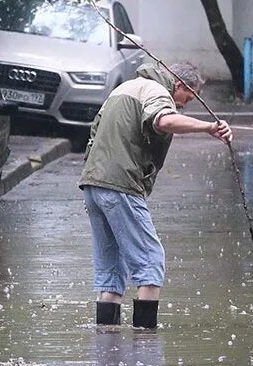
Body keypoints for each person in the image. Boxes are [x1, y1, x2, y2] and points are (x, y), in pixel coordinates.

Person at [78, 62, 232, 328]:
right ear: (180, 85)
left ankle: (106, 345)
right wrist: (207, 128)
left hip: (93, 184)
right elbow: (164, 120)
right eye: (189, 97)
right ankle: (145, 342)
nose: (185, 104)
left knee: (111, 268)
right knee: (150, 260)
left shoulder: (124, 89)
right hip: (121, 185)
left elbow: (93, 135)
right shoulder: (156, 90)